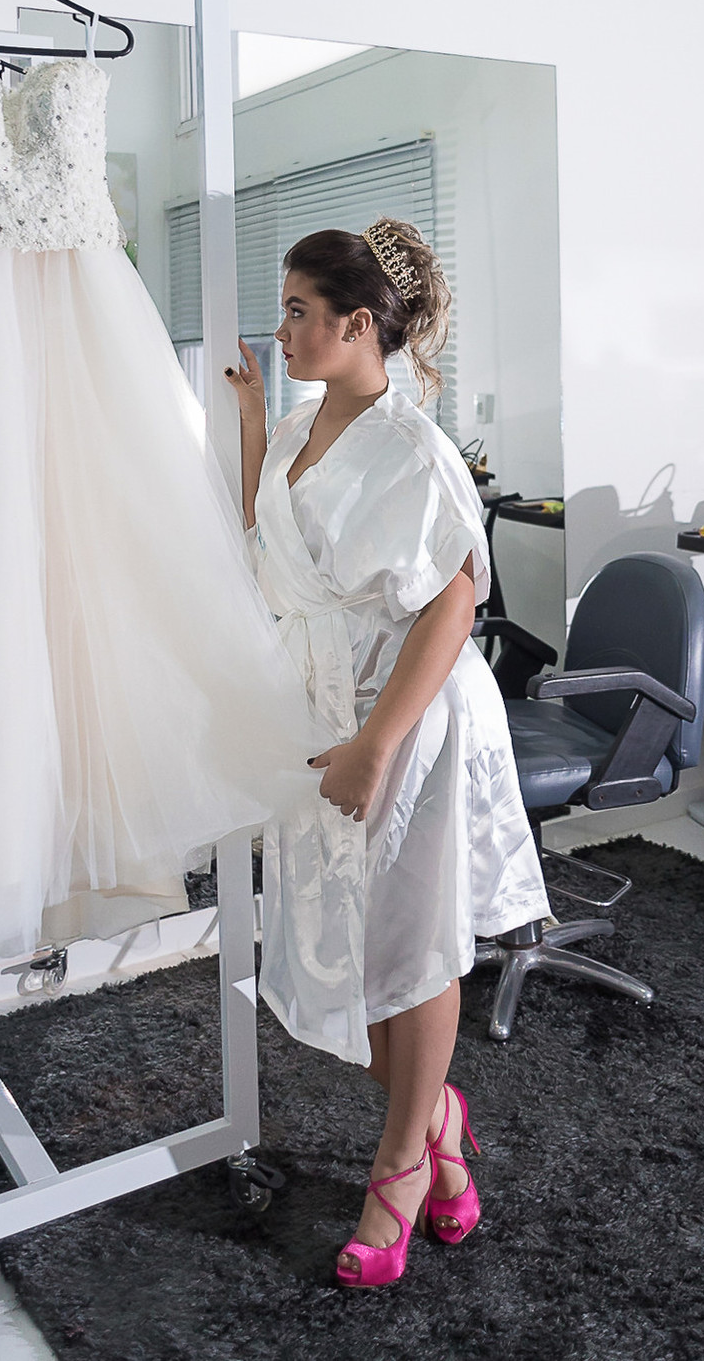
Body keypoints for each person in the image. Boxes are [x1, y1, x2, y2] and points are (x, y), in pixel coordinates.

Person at [226, 217, 550, 1288]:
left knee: (411, 946)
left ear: (358, 324)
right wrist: (251, 426)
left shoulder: (413, 449)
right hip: (325, 708)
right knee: (339, 948)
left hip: (404, 714)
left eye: (298, 313)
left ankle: (399, 1167)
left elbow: (453, 605)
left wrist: (376, 743)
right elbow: (273, 543)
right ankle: (439, 1118)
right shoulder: (306, 425)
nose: (281, 331)